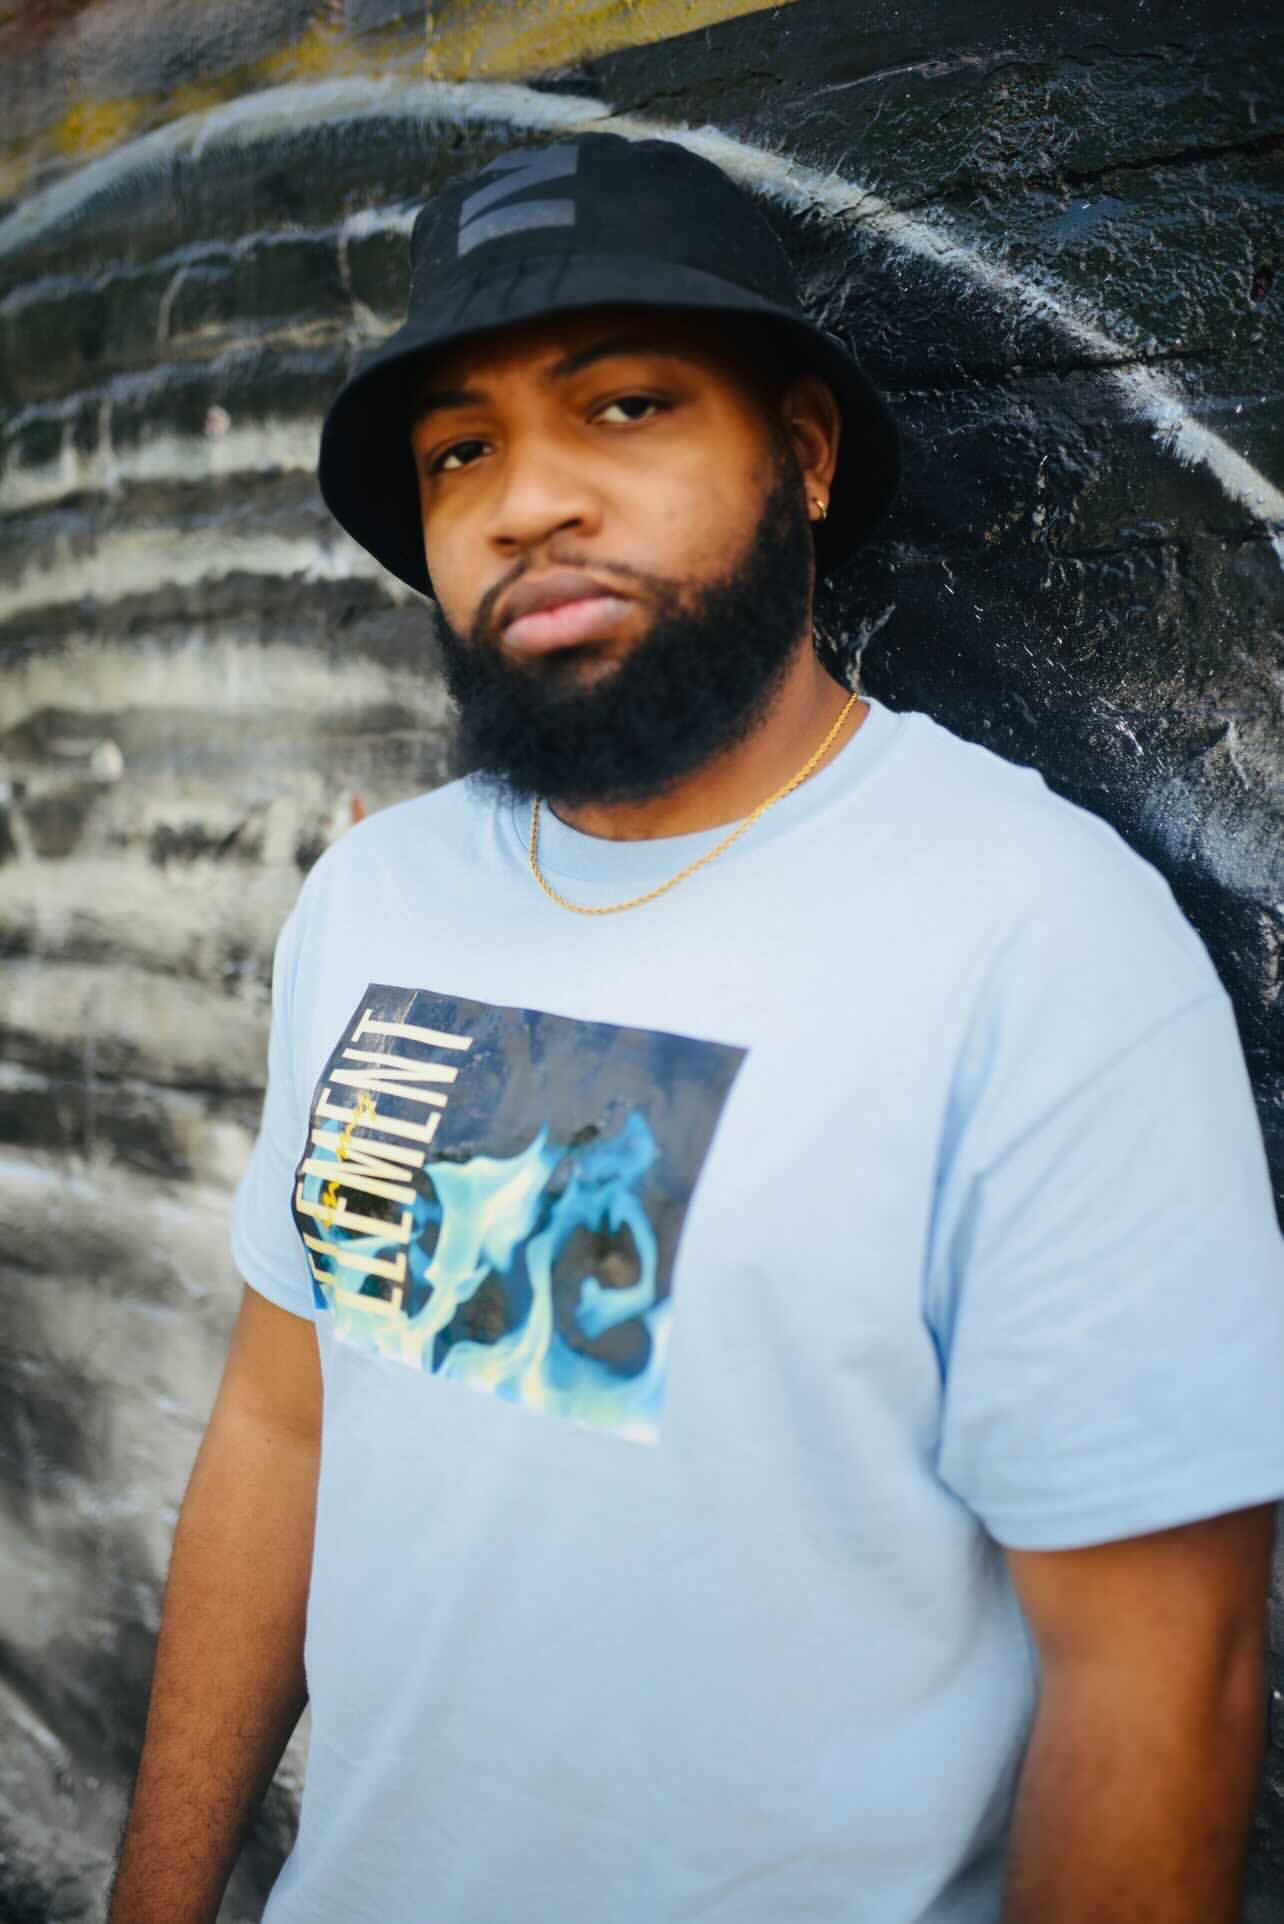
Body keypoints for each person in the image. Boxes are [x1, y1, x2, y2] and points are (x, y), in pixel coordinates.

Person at [111, 131, 1284, 1924]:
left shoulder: (1033, 937)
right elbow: (285, 1428)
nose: (528, 502)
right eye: (460, 450)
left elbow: (1161, 1672)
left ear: (801, 453)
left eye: (629, 407)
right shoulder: (377, 900)